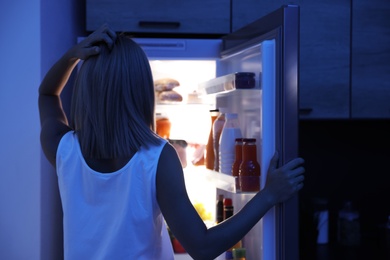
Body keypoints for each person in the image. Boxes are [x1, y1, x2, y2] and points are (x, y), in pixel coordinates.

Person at [38, 24, 305, 260]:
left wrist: (74, 54)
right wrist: (268, 195)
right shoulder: (156, 157)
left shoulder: (63, 149)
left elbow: (48, 94)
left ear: (86, 89)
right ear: (142, 91)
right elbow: (202, 248)